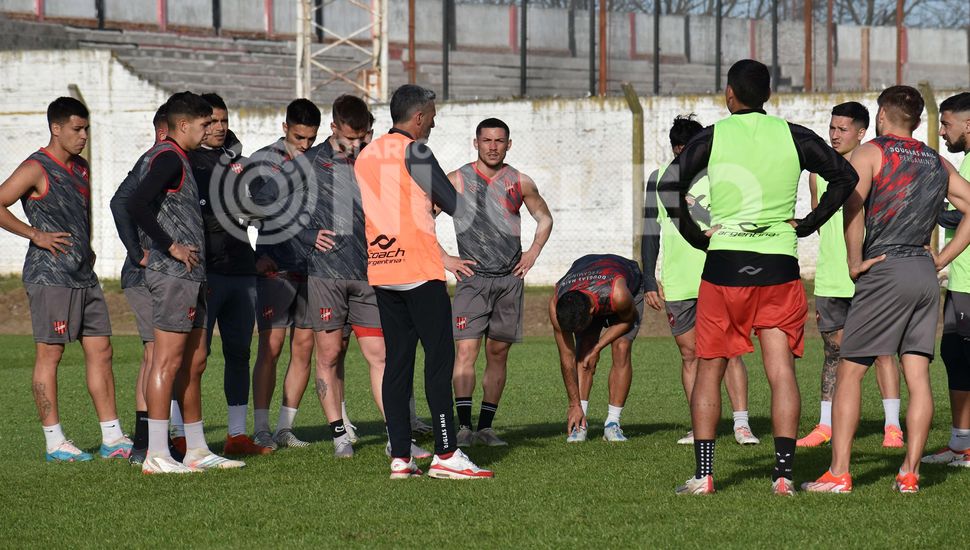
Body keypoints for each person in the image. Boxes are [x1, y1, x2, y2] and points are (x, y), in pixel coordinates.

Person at [660, 60, 859, 496]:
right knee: (780, 369)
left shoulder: (714, 136)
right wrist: (807, 223)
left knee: (709, 368)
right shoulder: (794, 134)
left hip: (725, 266)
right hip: (778, 266)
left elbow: (668, 185)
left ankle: (705, 476)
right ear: (767, 95)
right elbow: (846, 177)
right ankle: (784, 475)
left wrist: (697, 237)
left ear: (729, 94)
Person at [803, 86, 970, 493]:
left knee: (850, 370)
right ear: (917, 121)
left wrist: (854, 260)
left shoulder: (871, 153)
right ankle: (910, 472)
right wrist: (943, 257)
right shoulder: (936, 160)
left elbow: (851, 205)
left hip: (885, 269)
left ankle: (839, 471)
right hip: (923, 272)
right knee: (917, 375)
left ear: (880, 116)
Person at [355, 84, 492, 479]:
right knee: (438, 360)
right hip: (418, 267)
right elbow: (453, 203)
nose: (434, 121)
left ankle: (401, 456)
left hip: (382, 268)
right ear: (418, 118)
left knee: (397, 363)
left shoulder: (367, 154)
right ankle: (447, 455)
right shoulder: (415, 150)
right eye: (431, 115)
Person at [299, 94, 432, 459]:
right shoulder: (310, 163)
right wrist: (306, 236)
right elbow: (270, 207)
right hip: (326, 276)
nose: (356, 145)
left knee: (381, 356)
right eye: (349, 138)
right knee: (328, 353)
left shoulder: (376, 161)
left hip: (371, 272)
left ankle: (396, 438)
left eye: (362, 138)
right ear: (333, 129)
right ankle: (340, 435)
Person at [0, 97, 130, 462]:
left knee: (102, 350)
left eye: (86, 128)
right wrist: (34, 234)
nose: (84, 135)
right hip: (49, 276)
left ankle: (113, 438)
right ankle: (54, 442)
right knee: (50, 354)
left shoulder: (82, 168)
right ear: (56, 128)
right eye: (77, 129)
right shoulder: (35, 167)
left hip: (83, 276)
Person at [127, 91, 244, 473]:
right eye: (203, 124)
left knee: (194, 361)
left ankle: (196, 450)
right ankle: (157, 454)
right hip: (173, 275)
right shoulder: (167, 157)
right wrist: (169, 246)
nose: (209, 130)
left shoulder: (180, 158)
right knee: (167, 361)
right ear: (183, 125)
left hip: (193, 276)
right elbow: (135, 202)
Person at [642, 114, 758, 447]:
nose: (683, 157)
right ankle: (700, 425)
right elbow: (651, 232)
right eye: (678, 150)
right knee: (690, 355)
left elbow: (736, 224)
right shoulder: (659, 179)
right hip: (678, 281)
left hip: (719, 275)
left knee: (731, 351)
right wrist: (650, 278)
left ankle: (741, 424)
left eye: (689, 149)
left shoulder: (720, 176)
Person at [798, 102, 903, 449]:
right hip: (830, 276)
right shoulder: (816, 173)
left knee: (884, 349)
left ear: (861, 133)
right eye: (832, 128)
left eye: (843, 129)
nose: (834, 135)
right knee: (833, 352)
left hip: (868, 274)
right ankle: (825, 424)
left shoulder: (874, 169)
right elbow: (818, 220)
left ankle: (892, 425)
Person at [444, 117, 553, 447]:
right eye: (487, 140)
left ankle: (487, 427)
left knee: (498, 353)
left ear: (509, 144)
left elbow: (544, 218)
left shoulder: (519, 181)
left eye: (499, 141)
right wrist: (444, 258)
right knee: (465, 352)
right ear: (475, 143)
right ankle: (464, 428)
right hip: (472, 280)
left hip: (508, 281)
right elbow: (421, 216)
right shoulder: (457, 180)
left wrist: (533, 251)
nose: (493, 146)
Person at [186, 93, 266, 456]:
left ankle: (236, 435)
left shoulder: (239, 163)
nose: (219, 128)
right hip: (205, 273)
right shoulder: (184, 160)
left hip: (241, 270)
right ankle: (181, 432)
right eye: (212, 121)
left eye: (223, 120)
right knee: (194, 357)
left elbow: (264, 208)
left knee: (239, 352)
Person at [110, 105, 186, 465]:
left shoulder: (165, 159)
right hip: (145, 273)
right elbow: (121, 201)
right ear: (165, 131)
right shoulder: (155, 159)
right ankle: (146, 445)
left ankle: (148, 444)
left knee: (155, 353)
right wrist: (136, 250)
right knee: (156, 353)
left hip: (158, 272)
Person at [248, 98, 321, 451]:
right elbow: (253, 207)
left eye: (311, 138)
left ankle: (285, 428)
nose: (305, 145)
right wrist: (254, 256)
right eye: (299, 137)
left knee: (304, 346)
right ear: (285, 129)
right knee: (272, 346)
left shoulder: (320, 161)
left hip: (313, 268)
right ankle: (260, 428)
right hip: (275, 267)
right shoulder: (264, 161)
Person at [550, 254, 643, 443]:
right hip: (587, 278)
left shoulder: (619, 294)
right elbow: (566, 357)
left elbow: (628, 319)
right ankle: (580, 421)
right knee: (583, 352)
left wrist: (598, 347)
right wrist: (573, 404)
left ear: (592, 312)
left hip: (624, 286)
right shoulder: (557, 303)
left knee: (621, 347)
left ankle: (612, 424)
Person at [924, 92, 970, 467]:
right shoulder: (965, 163)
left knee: (962, 357)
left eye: (946, 124)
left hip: (968, 285)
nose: (941, 132)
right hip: (961, 282)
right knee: (955, 357)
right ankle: (960, 444)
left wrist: (939, 258)